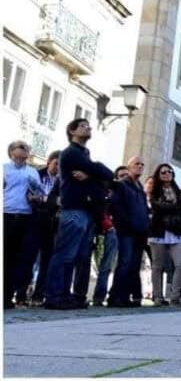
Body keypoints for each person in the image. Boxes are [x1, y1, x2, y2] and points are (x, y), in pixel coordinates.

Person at [44, 119, 114, 310]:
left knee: (76, 256)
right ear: (72, 131)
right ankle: (54, 295)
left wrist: (91, 175)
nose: (88, 128)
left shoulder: (85, 155)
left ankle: (66, 295)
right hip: (74, 210)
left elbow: (105, 176)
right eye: (83, 125)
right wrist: (95, 171)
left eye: (89, 126)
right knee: (65, 254)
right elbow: (103, 172)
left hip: (86, 211)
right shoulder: (72, 153)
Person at [4, 141, 44, 309]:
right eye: (18, 153)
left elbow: (41, 193)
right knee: (4, 256)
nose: (21, 156)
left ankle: (8, 296)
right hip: (5, 213)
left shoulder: (32, 172)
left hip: (25, 216)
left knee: (18, 258)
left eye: (24, 153)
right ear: (11, 153)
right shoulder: (4, 169)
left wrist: (36, 198)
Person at [107, 157, 150, 307]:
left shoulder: (140, 189)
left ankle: (125, 296)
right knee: (124, 263)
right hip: (127, 231)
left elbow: (144, 210)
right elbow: (114, 206)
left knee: (133, 265)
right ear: (129, 167)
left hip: (140, 232)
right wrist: (125, 224)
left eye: (142, 164)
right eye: (136, 164)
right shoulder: (122, 185)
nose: (140, 166)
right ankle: (115, 297)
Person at [148, 163, 181, 305]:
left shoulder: (178, 191)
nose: (167, 174)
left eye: (170, 171)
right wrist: (173, 207)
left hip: (175, 230)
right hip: (158, 230)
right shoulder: (154, 191)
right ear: (158, 175)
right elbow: (156, 206)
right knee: (157, 266)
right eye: (164, 172)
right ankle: (158, 297)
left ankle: (175, 296)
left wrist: (168, 207)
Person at [91, 167, 126, 306]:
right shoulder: (109, 192)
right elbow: (101, 210)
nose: (124, 177)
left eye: (126, 175)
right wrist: (108, 225)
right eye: (121, 175)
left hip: (123, 231)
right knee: (104, 265)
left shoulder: (126, 192)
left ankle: (113, 295)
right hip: (107, 231)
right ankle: (99, 296)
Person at [30, 150, 61, 306]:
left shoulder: (62, 181)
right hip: (34, 220)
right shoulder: (36, 175)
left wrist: (46, 200)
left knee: (47, 261)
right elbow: (30, 195)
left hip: (52, 223)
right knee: (29, 258)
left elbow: (59, 201)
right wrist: (47, 200)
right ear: (49, 161)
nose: (57, 167)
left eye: (60, 165)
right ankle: (21, 292)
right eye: (56, 163)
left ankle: (38, 294)